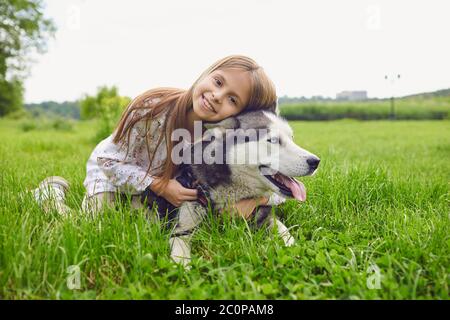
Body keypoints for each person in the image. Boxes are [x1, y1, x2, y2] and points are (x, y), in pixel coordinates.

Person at [33, 55, 286, 220]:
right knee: (92, 223)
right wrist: (160, 186)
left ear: (239, 114)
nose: (218, 96)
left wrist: (261, 197)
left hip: (158, 187)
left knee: (154, 222)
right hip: (116, 169)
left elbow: (261, 180)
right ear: (206, 74)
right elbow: (108, 161)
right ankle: (49, 192)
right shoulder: (153, 107)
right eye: (218, 82)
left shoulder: (218, 139)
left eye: (233, 99)